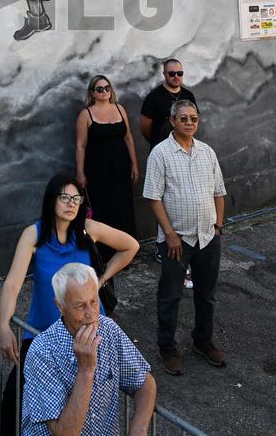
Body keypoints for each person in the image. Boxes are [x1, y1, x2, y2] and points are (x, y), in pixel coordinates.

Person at [0, 173, 139, 436]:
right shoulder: (34, 236)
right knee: (13, 398)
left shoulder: (88, 231)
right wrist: (3, 324)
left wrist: (99, 283)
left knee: (90, 394)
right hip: (42, 337)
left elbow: (131, 246)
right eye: (65, 198)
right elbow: (12, 283)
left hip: (88, 331)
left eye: (76, 199)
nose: (71, 204)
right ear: (52, 201)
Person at [9, 262, 156, 436]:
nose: (91, 315)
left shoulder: (109, 330)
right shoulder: (42, 351)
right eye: (80, 306)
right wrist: (86, 370)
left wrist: (138, 433)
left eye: (94, 301)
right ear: (60, 307)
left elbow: (144, 382)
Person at [142, 99, 226, 376]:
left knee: (207, 295)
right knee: (170, 295)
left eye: (194, 118)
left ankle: (203, 341)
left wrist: (217, 228)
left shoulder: (207, 152)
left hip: (207, 237)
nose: (189, 123)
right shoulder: (160, 153)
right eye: (184, 118)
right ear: (173, 121)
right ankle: (167, 346)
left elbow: (218, 193)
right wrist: (169, 234)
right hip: (176, 239)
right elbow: (153, 197)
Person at [75, 75, 139, 249]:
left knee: (123, 206)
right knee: (103, 208)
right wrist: (80, 173)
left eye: (107, 88)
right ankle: (104, 252)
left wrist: (134, 164)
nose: (104, 91)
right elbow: (80, 145)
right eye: (99, 89)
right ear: (93, 93)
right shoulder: (86, 114)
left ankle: (126, 248)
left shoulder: (120, 109)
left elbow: (128, 137)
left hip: (121, 167)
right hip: (97, 170)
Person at [139, 58, 198, 149]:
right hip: (161, 148)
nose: (176, 76)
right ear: (164, 74)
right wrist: (157, 141)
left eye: (179, 73)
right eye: (171, 73)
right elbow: (144, 127)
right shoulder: (153, 97)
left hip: (185, 147)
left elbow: (194, 119)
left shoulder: (188, 95)